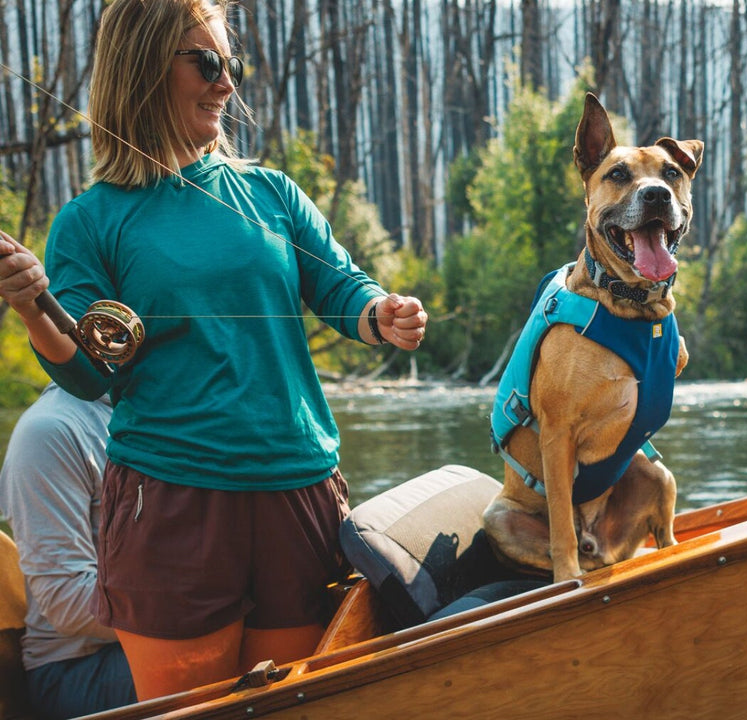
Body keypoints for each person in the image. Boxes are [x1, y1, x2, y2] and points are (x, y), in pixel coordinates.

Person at [0, 0, 427, 701]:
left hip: (299, 496)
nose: (226, 83)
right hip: (172, 509)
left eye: (230, 64)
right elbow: (81, 372)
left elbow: (341, 286)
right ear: (143, 70)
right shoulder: (90, 221)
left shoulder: (273, 195)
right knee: (194, 713)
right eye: (206, 63)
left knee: (288, 705)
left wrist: (381, 313)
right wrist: (30, 306)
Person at [0, 384, 138, 718]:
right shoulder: (52, 430)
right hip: (77, 667)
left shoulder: (169, 415)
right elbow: (67, 602)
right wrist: (203, 615)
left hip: (166, 635)